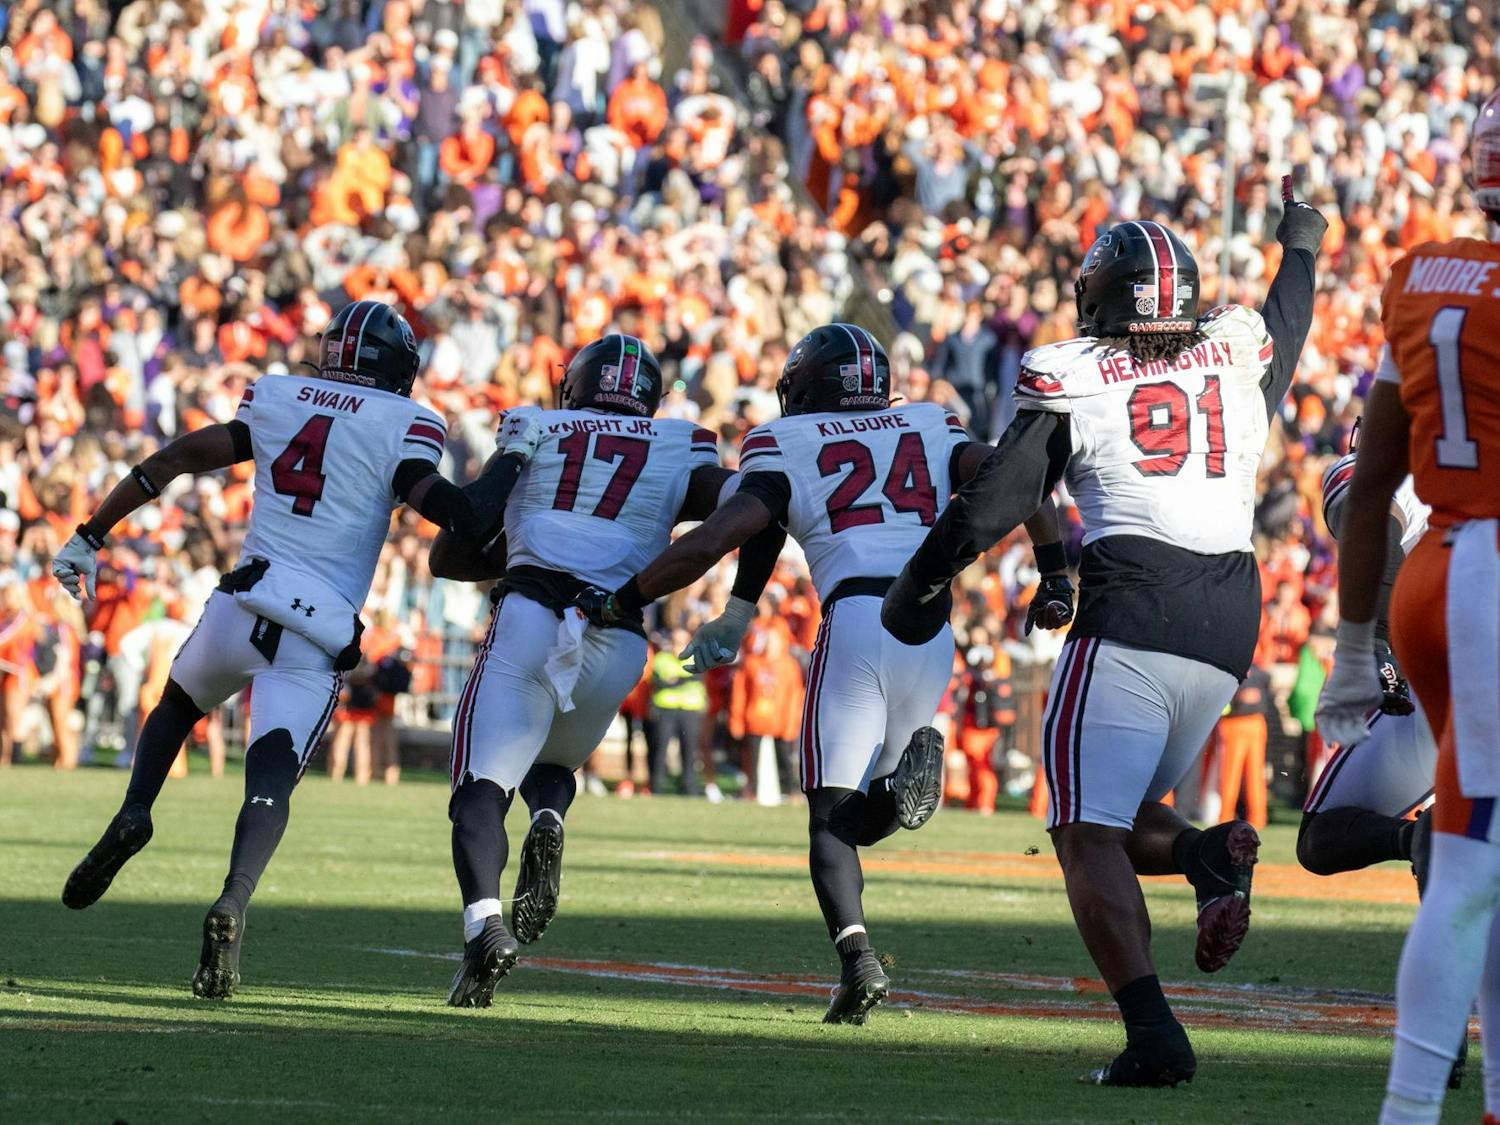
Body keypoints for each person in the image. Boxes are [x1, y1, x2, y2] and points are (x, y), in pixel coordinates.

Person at [882, 192, 1328, 1084]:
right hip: (1231, 614)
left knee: (1082, 831)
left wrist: (920, 580)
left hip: (1135, 599)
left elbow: (999, 499)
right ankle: (1205, 853)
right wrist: (1301, 241)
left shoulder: (1075, 372)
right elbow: (1290, 316)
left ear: (1101, 300)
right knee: (1117, 815)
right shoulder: (1238, 359)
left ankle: (1155, 1035)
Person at [574, 324, 1072, 1024]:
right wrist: (1055, 573)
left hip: (859, 618)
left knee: (828, 815)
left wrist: (625, 597)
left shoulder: (784, 443)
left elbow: (722, 535)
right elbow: (1017, 480)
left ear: (806, 386)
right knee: (859, 810)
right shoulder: (928, 422)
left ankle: (857, 958)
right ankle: (897, 796)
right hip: (932, 627)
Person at [52, 300, 530, 999]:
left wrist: (91, 533)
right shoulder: (406, 422)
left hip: (240, 601)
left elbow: (179, 457)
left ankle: (135, 808)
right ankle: (234, 899)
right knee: (269, 779)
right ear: (397, 369)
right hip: (314, 627)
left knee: (177, 705)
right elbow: (458, 512)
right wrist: (515, 457)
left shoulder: (277, 394)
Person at [428, 334, 784, 1009]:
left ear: (577, 383)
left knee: (479, 784)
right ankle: (551, 818)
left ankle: (483, 926)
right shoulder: (679, 443)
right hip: (619, 634)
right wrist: (737, 609)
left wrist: (522, 507)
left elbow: (450, 553)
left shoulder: (535, 426)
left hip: (533, 611)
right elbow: (761, 506)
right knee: (550, 758)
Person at [1316, 91, 1500, 1125]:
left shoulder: (1427, 279)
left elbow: (1371, 469)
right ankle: (1407, 1110)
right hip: (1493, 578)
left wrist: (1350, 640)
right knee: (1473, 861)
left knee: (1487, 856)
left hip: (1440, 572)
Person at [1299, 442, 1434, 876]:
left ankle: (1420, 840)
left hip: (1453, 673)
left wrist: (1372, 641)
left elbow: (1369, 509)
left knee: (1324, 837)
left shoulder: (1419, 455)